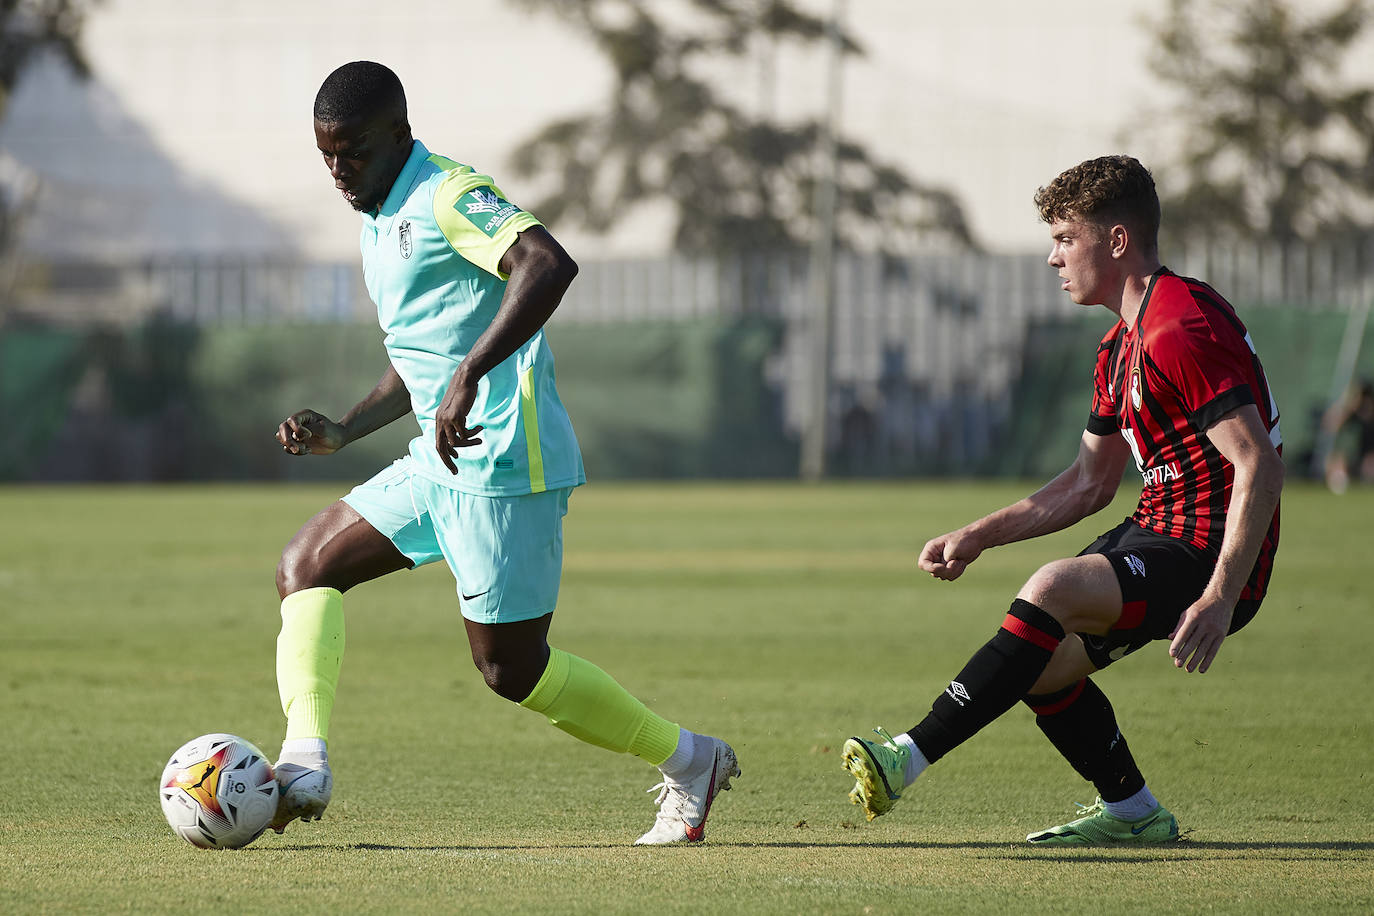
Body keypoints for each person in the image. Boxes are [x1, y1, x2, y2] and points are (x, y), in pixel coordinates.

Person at [268, 61, 738, 846]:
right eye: (327, 155)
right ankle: (302, 763)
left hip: (504, 461)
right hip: (439, 455)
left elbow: (548, 264)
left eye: (352, 150)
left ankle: (692, 760)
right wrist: (347, 429)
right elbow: (423, 350)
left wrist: (470, 373)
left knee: (510, 672)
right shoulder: (376, 219)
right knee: (305, 565)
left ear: (400, 134)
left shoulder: (449, 193)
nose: (339, 170)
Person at [841, 155, 1284, 845]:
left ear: (1115, 241)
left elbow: (1257, 460)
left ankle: (907, 755)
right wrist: (979, 534)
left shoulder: (1178, 325)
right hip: (1157, 531)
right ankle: (1135, 812)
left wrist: (1223, 594)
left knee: (1051, 588)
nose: (1052, 258)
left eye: (1062, 238)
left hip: (1212, 551)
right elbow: (1088, 483)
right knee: (1040, 667)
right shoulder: (1118, 347)